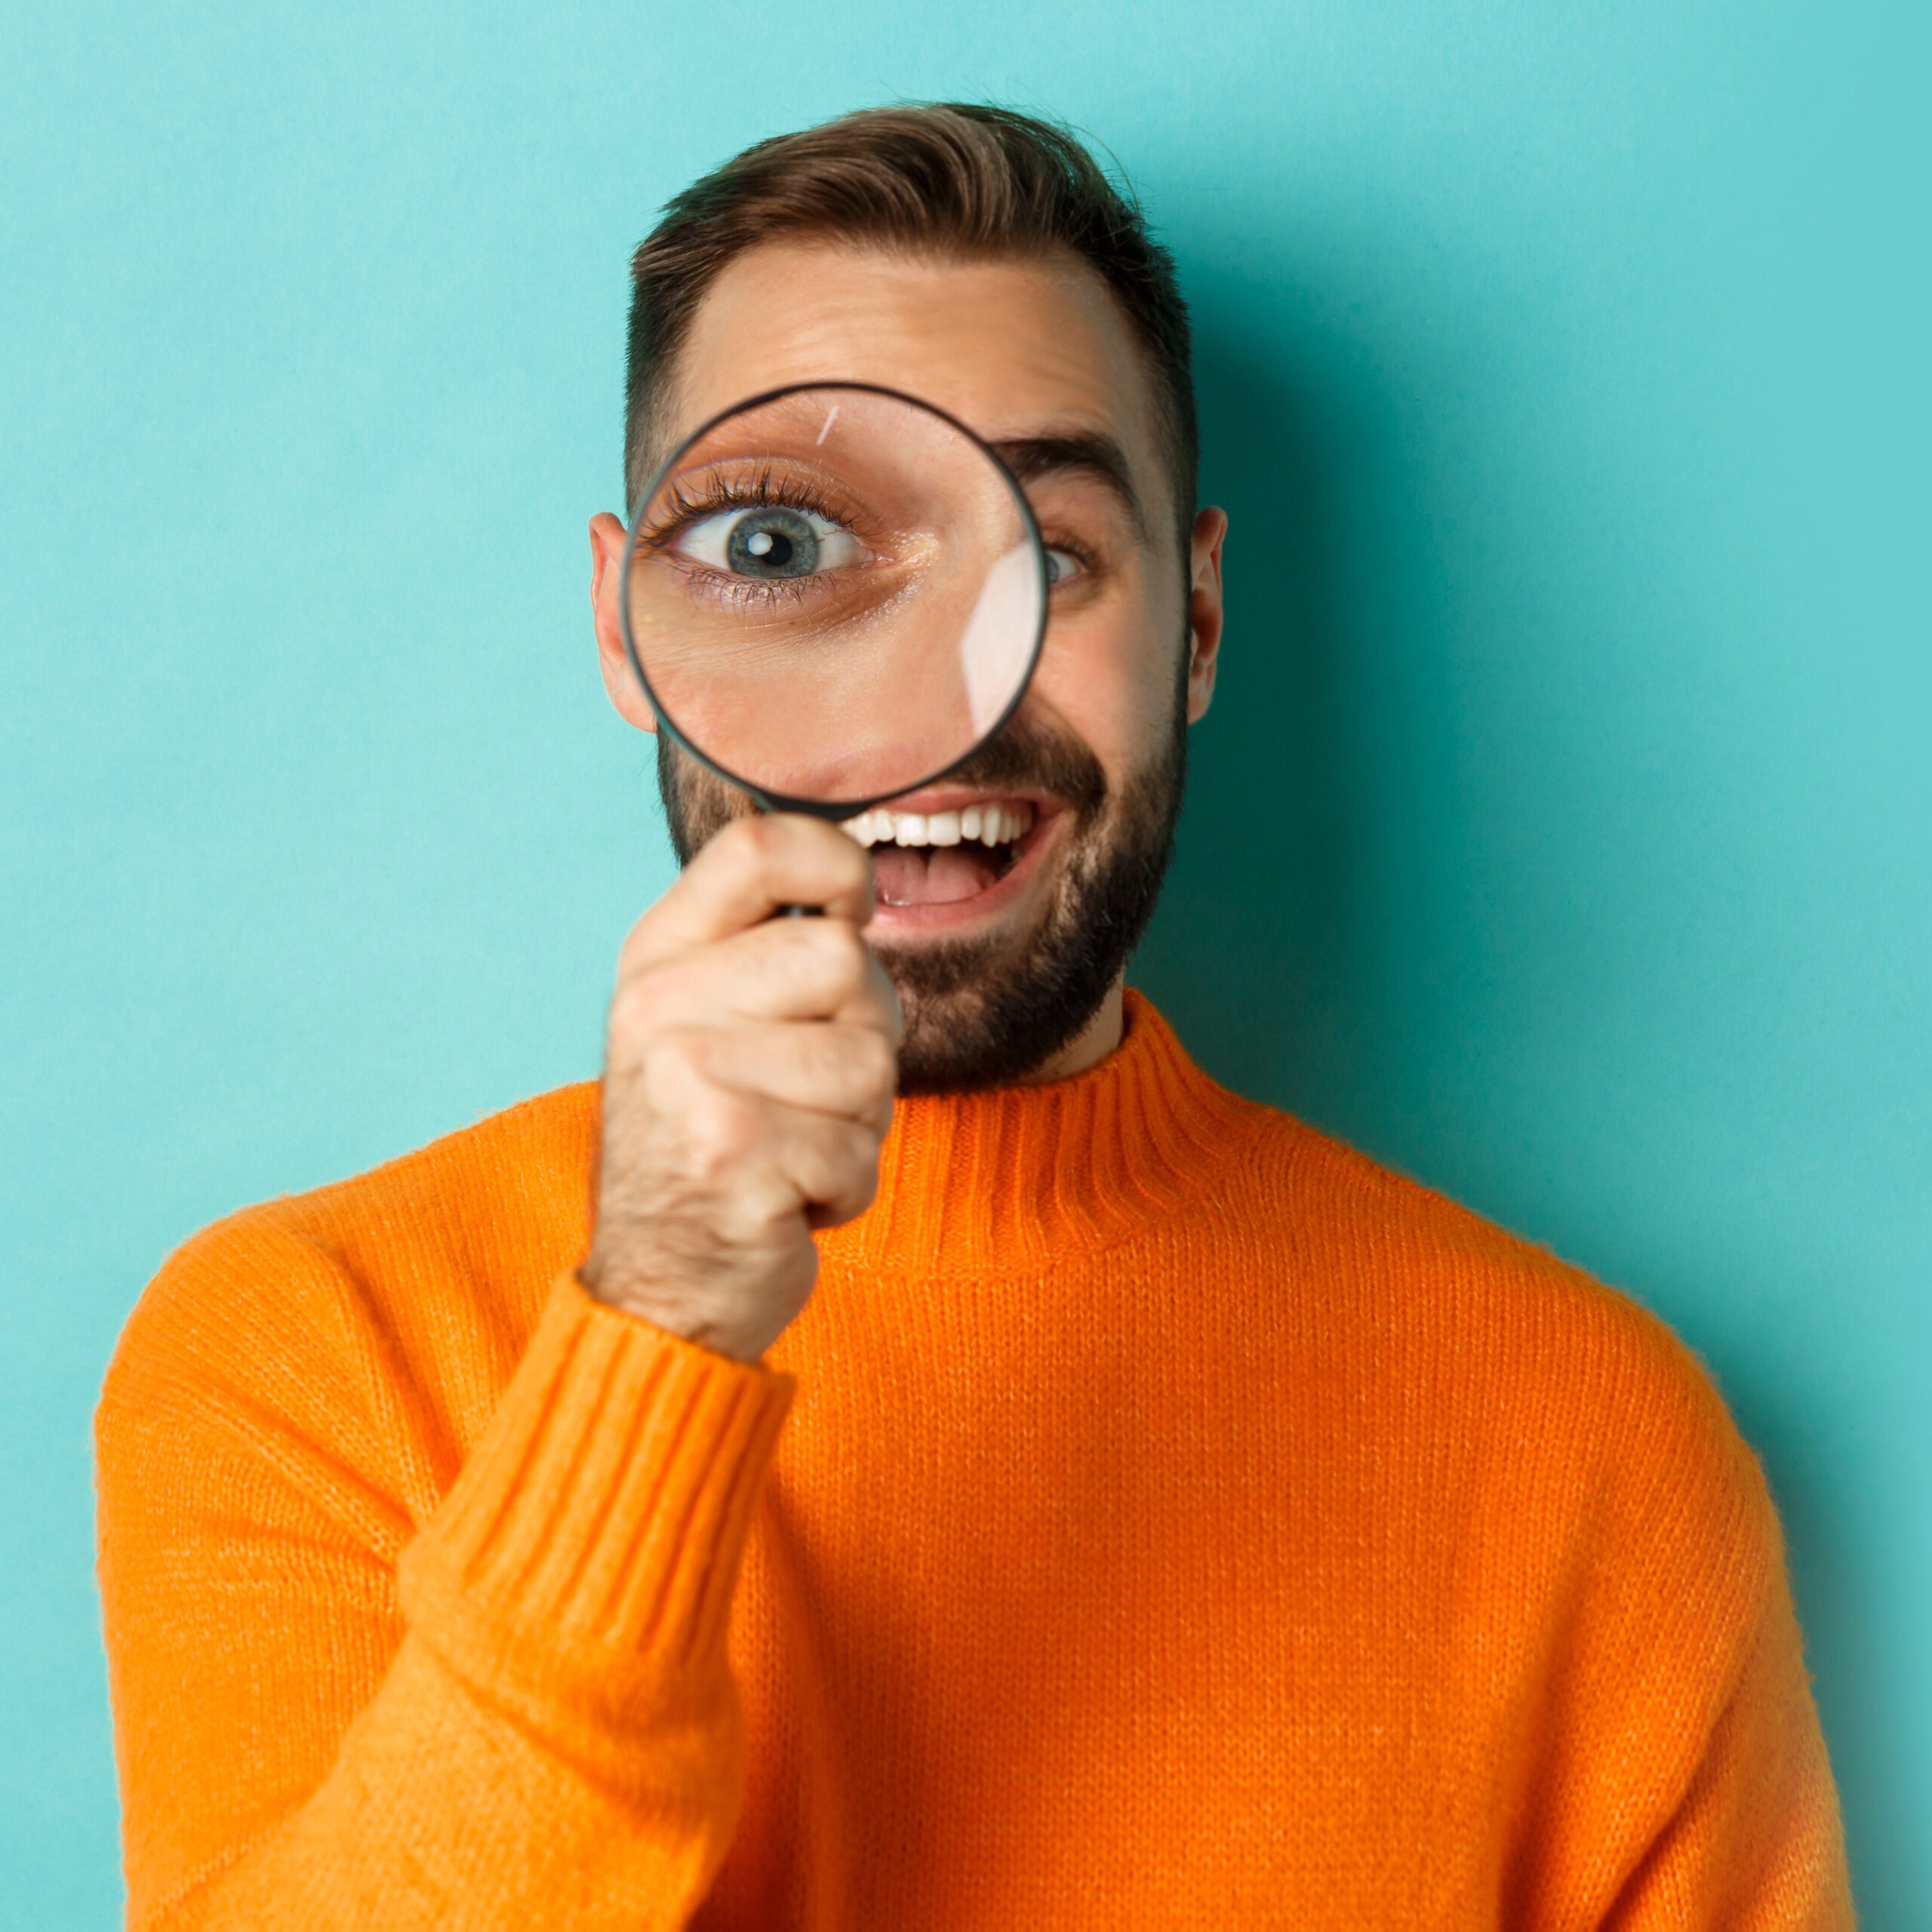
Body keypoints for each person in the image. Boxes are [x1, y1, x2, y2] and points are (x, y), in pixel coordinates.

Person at [92, 103, 1857, 1929]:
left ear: (1195, 622)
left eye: (1055, 551)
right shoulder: (310, 1356)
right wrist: (656, 1335)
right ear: (626, 630)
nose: (934, 705)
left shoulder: (1593, 1444)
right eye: (776, 550)